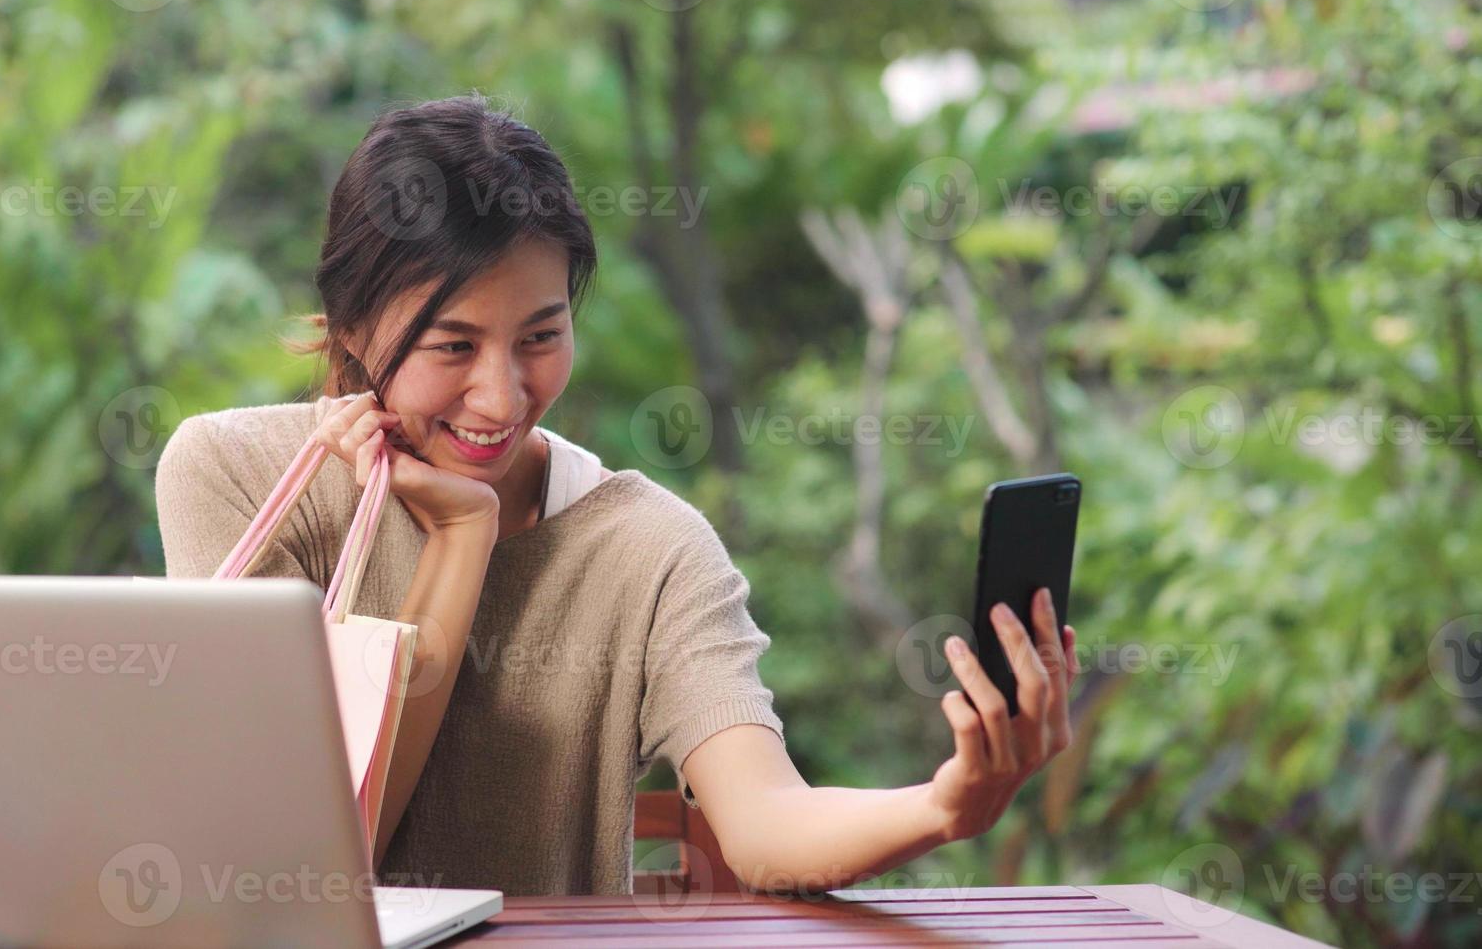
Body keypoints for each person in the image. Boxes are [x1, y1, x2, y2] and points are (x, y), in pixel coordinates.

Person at [155, 95, 1077, 897]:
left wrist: (945, 805)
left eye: (540, 336)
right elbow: (321, 858)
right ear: (353, 326)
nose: (501, 395)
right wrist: (462, 540)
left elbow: (763, 824)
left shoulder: (650, 549)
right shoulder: (240, 477)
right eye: (453, 347)